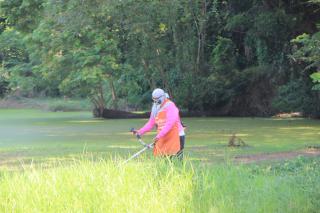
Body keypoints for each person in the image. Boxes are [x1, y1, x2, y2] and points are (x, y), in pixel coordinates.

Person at [134, 88, 185, 159]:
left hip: (176, 135)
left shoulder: (171, 106)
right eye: (154, 100)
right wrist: (140, 132)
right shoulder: (155, 107)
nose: (156, 102)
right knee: (163, 159)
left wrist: (159, 136)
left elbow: (169, 124)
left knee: (176, 159)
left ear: (163, 97)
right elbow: (151, 123)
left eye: (157, 100)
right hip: (163, 136)